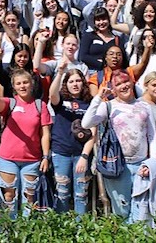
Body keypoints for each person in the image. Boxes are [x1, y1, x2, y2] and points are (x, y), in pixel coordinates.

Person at [81, 70, 156, 220]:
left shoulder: (144, 106)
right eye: (118, 84)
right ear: (113, 88)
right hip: (117, 166)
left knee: (141, 210)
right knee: (122, 210)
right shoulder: (108, 106)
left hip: (141, 165)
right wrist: (98, 98)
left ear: (132, 82)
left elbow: (152, 136)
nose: (124, 86)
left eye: (126, 82)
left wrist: (152, 163)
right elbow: (86, 123)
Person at [0, 70, 52, 218]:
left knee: (29, 199)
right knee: (8, 197)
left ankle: (26, 233)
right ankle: (7, 233)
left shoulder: (40, 105)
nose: (22, 86)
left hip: (32, 160)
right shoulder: (10, 102)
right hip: (8, 158)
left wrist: (45, 156)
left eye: (25, 82)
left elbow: (45, 134)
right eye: (18, 83)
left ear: (32, 84)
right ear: (14, 87)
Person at [49, 65, 95, 214]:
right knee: (62, 192)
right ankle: (62, 231)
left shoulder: (90, 103)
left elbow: (93, 132)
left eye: (78, 81)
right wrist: (60, 73)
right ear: (66, 84)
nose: (75, 84)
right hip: (61, 152)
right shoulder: (61, 101)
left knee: (81, 194)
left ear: (83, 83)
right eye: (71, 81)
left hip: (81, 155)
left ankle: (81, 231)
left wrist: (84, 156)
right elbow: (52, 95)